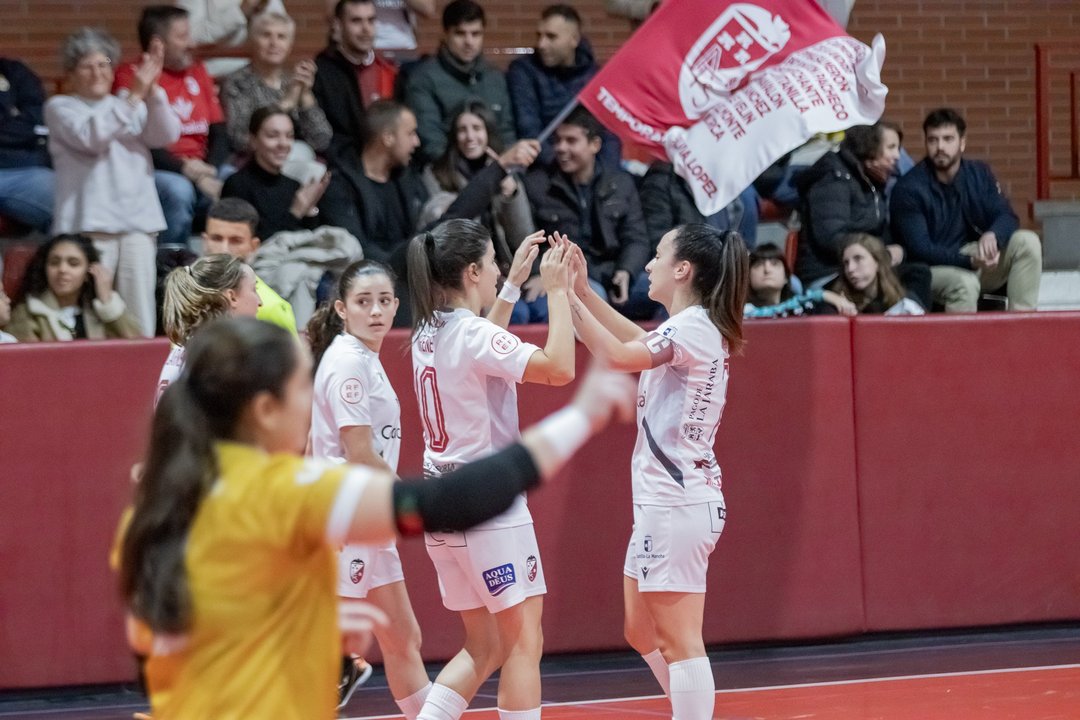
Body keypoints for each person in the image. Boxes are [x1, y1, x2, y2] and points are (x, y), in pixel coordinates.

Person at [119, 314, 634, 718]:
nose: (312, 404)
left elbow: (182, 650)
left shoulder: (156, 509)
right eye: (304, 388)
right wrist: (580, 417)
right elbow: (449, 503)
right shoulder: (284, 493)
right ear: (264, 410)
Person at [564, 223, 749, 720]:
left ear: (682, 270)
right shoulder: (690, 326)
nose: (648, 264)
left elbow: (619, 355)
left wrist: (566, 299)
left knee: (680, 640)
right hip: (669, 501)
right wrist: (581, 292)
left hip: (677, 502)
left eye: (659, 254)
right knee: (639, 630)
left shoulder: (692, 327)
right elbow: (635, 339)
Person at [406, 219, 576, 720]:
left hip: (441, 506)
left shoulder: (424, 332)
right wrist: (557, 291)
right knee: (523, 644)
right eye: (495, 263)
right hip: (486, 510)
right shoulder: (472, 334)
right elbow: (560, 367)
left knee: (484, 649)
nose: (501, 268)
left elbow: (481, 345)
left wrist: (511, 285)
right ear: (473, 271)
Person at [307, 260, 430, 716]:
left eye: (384, 301)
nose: (376, 311)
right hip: (351, 515)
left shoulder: (359, 357)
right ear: (342, 308)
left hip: (367, 516)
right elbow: (358, 451)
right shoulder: (347, 365)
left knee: (403, 638)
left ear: (397, 305)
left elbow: (312, 445)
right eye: (363, 302)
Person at [46, 27, 180, 337]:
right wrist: (135, 95)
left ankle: (144, 381)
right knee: (95, 314)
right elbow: (92, 137)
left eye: (104, 64)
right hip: (90, 225)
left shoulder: (127, 103)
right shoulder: (61, 108)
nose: (97, 72)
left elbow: (166, 135)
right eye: (87, 66)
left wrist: (155, 91)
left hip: (137, 223)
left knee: (139, 315)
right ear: (71, 73)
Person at [891, 108, 1042, 312]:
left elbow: (1006, 215)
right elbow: (920, 248)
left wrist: (993, 235)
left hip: (972, 257)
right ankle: (960, 345)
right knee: (964, 283)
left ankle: (1022, 327)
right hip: (929, 268)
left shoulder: (979, 174)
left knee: (1027, 241)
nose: (940, 147)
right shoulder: (909, 187)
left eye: (948, 139)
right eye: (933, 140)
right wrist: (969, 260)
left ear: (962, 143)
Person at [519, 106, 649, 322]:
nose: (561, 148)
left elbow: (636, 238)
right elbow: (527, 242)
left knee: (677, 292)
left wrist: (626, 270)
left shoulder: (621, 182)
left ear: (594, 145)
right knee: (591, 302)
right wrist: (542, 274)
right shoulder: (537, 185)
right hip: (568, 278)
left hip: (614, 273)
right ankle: (611, 357)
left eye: (571, 141)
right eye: (558, 140)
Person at [114, 5, 229, 248]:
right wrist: (188, 171)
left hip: (203, 166)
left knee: (236, 181)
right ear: (158, 44)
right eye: (182, 36)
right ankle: (172, 263)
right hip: (159, 168)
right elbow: (135, 140)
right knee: (179, 191)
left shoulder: (198, 71)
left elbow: (219, 129)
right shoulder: (131, 76)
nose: (191, 43)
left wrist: (210, 168)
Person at [795, 122, 931, 310]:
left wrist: (896, 250)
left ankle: (910, 325)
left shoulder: (871, 179)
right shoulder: (833, 178)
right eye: (891, 147)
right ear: (870, 147)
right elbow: (830, 237)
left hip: (869, 265)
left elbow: (878, 230)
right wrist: (880, 253)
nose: (897, 156)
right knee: (878, 299)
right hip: (830, 272)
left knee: (918, 273)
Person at [419, 100, 540, 272]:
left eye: (477, 128)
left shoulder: (506, 171)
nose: (470, 137)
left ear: (488, 133)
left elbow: (522, 237)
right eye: (462, 130)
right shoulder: (436, 174)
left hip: (509, 273)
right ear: (454, 136)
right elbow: (443, 234)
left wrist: (510, 194)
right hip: (464, 275)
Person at [318, 99, 427, 286]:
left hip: (411, 276)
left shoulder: (409, 180)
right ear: (388, 138)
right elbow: (355, 246)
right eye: (410, 133)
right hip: (364, 281)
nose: (416, 142)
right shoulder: (339, 184)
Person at [220, 10, 332, 180]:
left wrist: (305, 95)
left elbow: (322, 139)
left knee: (314, 166)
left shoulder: (292, 82)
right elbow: (240, 139)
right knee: (310, 167)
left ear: (289, 45)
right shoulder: (237, 82)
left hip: (295, 159)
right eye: (266, 35)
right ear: (252, 41)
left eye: (281, 37)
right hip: (251, 165)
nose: (274, 43)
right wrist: (286, 104)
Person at [506, 4, 621, 168]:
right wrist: (566, 169)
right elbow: (529, 130)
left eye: (551, 37)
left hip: (590, 169)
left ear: (574, 39)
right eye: (539, 35)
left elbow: (609, 133)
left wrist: (603, 174)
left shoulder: (595, 76)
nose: (542, 44)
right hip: (545, 169)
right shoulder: (524, 72)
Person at [403, 0, 516, 165]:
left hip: (495, 169)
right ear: (445, 34)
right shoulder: (423, 78)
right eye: (460, 33)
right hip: (446, 175)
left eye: (475, 34)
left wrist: (505, 167)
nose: (469, 42)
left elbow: (507, 132)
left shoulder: (495, 77)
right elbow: (431, 141)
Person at [157, 252, 262, 397]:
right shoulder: (221, 359)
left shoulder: (187, 348)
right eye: (254, 289)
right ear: (231, 297)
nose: (260, 301)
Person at [221, 106, 331, 240]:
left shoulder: (293, 186)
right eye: (272, 136)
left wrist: (310, 209)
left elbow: (313, 242)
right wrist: (296, 212)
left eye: (289, 136)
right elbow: (248, 242)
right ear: (254, 140)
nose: (283, 143)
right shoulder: (237, 185)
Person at [6, 234, 141, 341]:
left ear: (89, 272)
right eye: (54, 263)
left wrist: (107, 301)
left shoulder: (99, 312)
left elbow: (137, 349)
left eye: (73, 263)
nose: (62, 269)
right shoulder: (28, 312)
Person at [314, 0, 399, 165]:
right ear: (338, 25)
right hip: (343, 166)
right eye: (356, 21)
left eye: (371, 20)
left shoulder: (390, 70)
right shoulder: (322, 73)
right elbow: (326, 137)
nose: (366, 29)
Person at [202, 197, 298, 334]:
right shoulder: (186, 297)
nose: (224, 250)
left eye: (236, 241)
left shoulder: (271, 308)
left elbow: (288, 356)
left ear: (254, 246)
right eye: (216, 238)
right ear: (205, 241)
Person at [0, 57, 54, 234]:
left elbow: (37, 119)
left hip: (25, 170)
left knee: (66, 193)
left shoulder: (14, 72)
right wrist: (13, 120)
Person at [744, 243, 855, 318]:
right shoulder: (742, 314)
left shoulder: (803, 307)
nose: (767, 270)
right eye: (758, 265)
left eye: (775, 264)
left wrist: (834, 298)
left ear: (786, 278)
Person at [178, 0, 287, 77]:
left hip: (258, 75)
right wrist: (240, 12)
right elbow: (190, 36)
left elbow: (282, 30)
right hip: (214, 76)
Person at [829, 233, 925, 315]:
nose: (850, 269)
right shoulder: (837, 304)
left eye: (858, 259)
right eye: (846, 263)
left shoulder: (906, 301)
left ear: (877, 262)